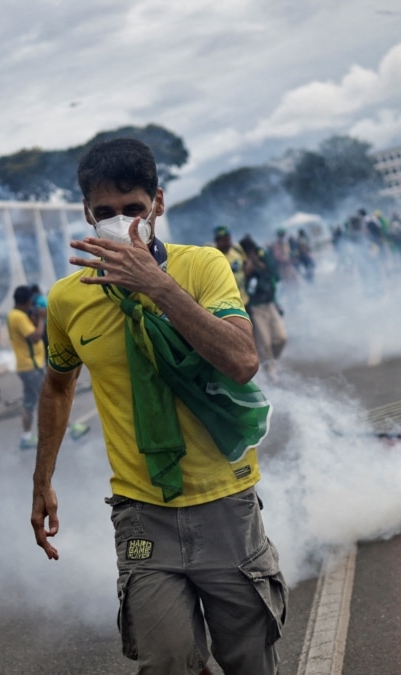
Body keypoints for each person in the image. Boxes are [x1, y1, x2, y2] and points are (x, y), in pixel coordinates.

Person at [31, 138, 284, 673]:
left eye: (133, 210)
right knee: (165, 662)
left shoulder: (202, 267)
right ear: (85, 214)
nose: (119, 224)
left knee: (249, 661)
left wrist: (158, 286)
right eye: (104, 213)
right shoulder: (66, 299)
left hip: (225, 504)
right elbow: (57, 385)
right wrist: (42, 481)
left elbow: (241, 359)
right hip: (142, 512)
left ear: (159, 205)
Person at [240, 235, 288, 384]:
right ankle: (270, 371)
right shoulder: (241, 262)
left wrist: (258, 263)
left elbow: (274, 276)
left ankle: (272, 362)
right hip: (256, 307)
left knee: (281, 338)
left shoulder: (263, 257)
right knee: (264, 342)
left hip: (270, 303)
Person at [9, 286, 46, 450]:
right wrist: (41, 320)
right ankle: (66, 429)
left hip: (25, 366)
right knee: (49, 399)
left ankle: (26, 437)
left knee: (30, 402)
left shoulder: (14, 315)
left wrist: (33, 319)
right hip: (32, 366)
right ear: (27, 300)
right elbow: (36, 337)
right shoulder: (18, 317)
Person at [213, 226, 248, 305]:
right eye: (224, 241)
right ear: (217, 241)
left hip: (244, 299)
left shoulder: (236, 250)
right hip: (228, 304)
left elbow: (246, 263)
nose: (228, 243)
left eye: (228, 239)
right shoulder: (213, 257)